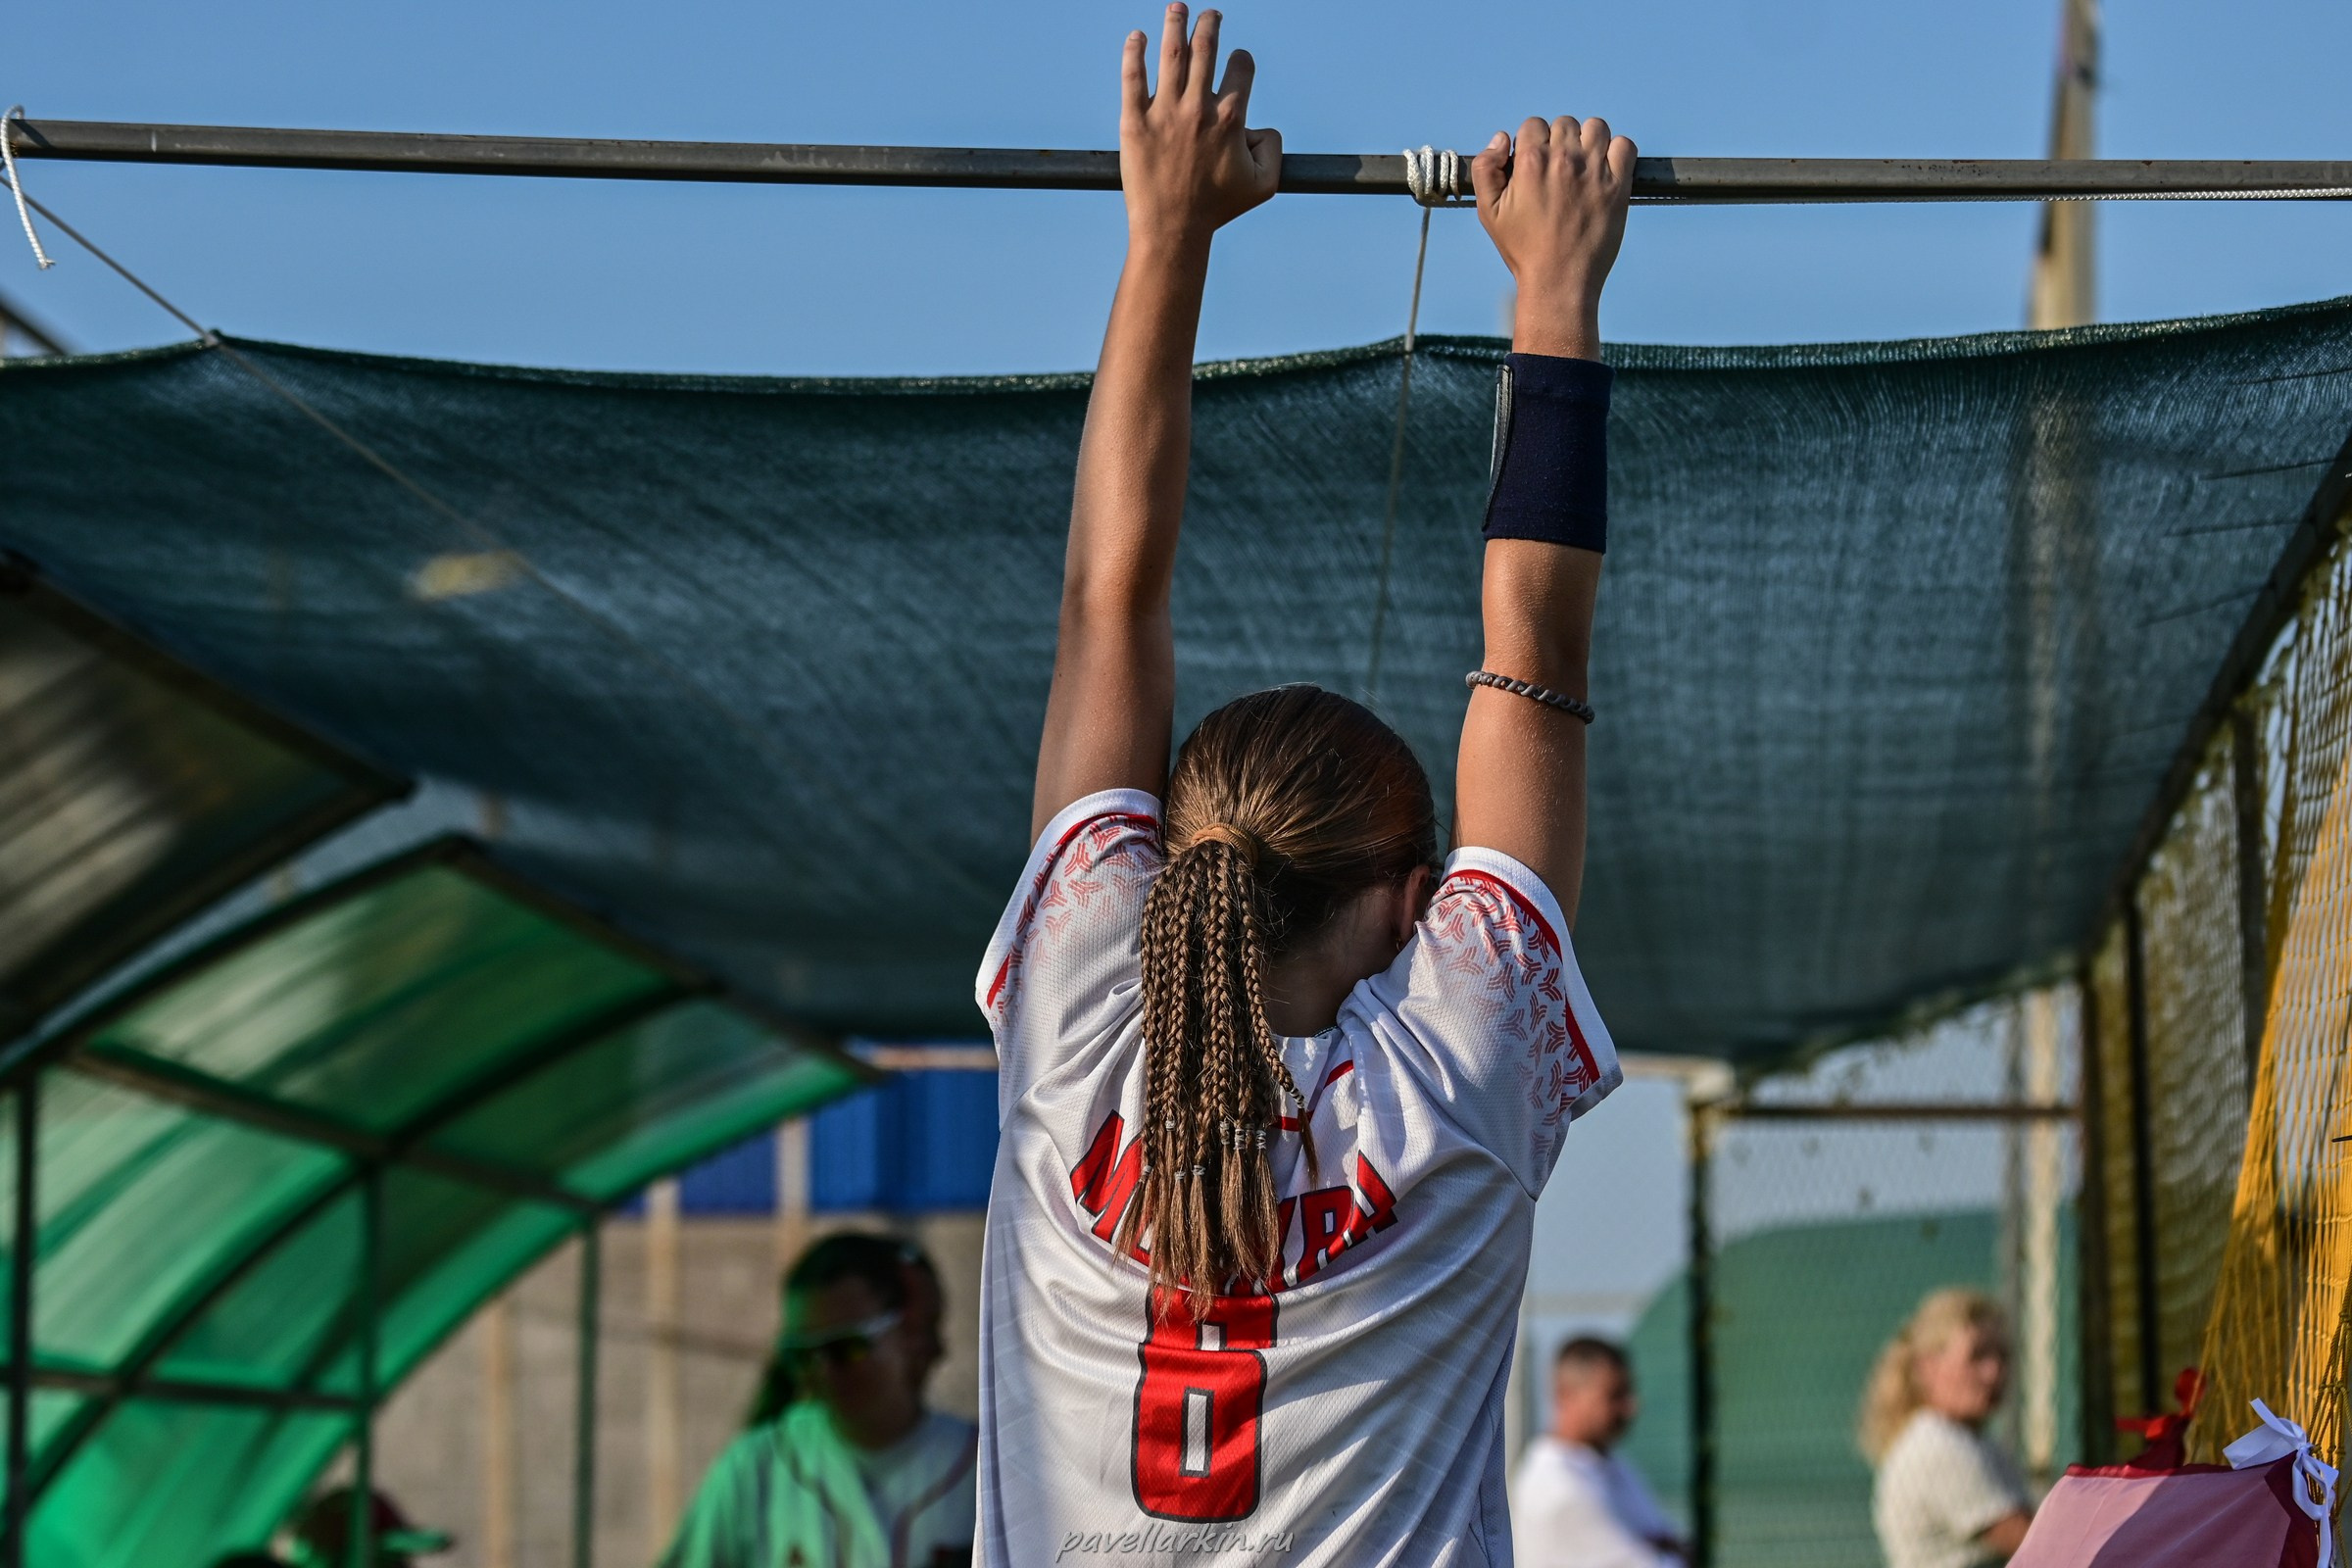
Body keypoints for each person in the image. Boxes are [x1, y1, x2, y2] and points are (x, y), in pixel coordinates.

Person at [975, 7, 1629, 1561]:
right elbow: (1527, 640)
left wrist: (1168, 234)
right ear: (1414, 906)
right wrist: (1553, 292)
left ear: (1168, 856)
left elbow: (1105, 599)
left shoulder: (1078, 1023)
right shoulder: (1454, 1074)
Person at [662, 1233, 977, 1568]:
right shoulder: (757, 1467)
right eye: (802, 1355)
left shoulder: (985, 1466)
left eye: (846, 1348)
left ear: (907, 1333)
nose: (823, 1372)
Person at [1863, 1288, 2034, 1568]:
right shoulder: (1939, 1446)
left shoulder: (1972, 1441)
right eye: (1977, 1356)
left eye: (2002, 1356)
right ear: (1926, 1367)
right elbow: (2039, 1543)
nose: (1994, 1372)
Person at [1512, 1339, 1685, 1567]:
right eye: (1615, 1395)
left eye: (1629, 1391)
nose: (1631, 1407)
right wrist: (1658, 1547)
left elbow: (1675, 1542)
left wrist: (1665, 1547)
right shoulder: (1556, 1485)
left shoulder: (1609, 1463)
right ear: (1566, 1395)